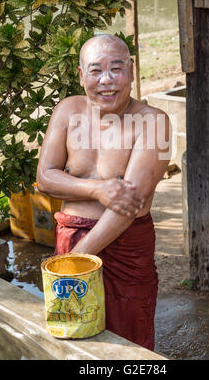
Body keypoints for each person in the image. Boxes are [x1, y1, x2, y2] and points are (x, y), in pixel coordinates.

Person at [37, 34, 171, 350]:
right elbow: (45, 177)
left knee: (128, 340)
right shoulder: (68, 111)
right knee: (72, 331)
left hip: (125, 246)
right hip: (71, 235)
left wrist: (76, 259)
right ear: (81, 75)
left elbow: (130, 203)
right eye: (96, 70)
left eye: (116, 68)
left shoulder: (154, 122)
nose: (106, 80)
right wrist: (97, 189)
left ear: (132, 70)